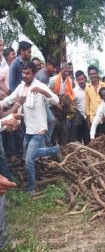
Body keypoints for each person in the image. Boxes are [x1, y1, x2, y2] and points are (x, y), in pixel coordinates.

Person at [1, 61, 61, 194]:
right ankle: (54, 150)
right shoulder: (21, 87)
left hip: (39, 129)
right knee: (27, 156)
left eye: (27, 73)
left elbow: (56, 100)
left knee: (28, 160)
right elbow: (10, 99)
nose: (24, 75)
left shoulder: (40, 86)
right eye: (23, 72)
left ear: (33, 74)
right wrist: (1, 104)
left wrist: (43, 92)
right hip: (27, 129)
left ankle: (31, 188)